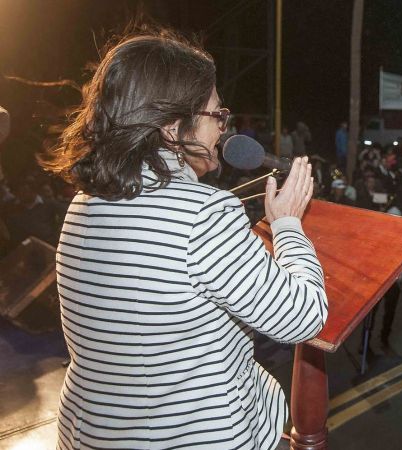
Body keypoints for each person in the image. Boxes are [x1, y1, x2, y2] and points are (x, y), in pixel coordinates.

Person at [39, 31, 327, 450]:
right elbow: (303, 317)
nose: (223, 131)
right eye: (216, 115)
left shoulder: (86, 202)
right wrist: (286, 225)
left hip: (91, 433)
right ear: (173, 129)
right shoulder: (203, 214)